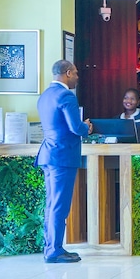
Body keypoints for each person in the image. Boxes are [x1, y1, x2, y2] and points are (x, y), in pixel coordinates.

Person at [36, 60, 92, 263]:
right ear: (67, 73)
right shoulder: (66, 95)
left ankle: (51, 247)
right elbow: (75, 128)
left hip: (48, 155)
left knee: (52, 203)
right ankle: (54, 250)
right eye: (75, 73)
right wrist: (87, 127)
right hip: (63, 156)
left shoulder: (45, 95)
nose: (77, 77)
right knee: (59, 205)